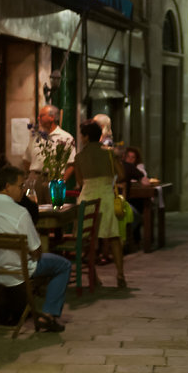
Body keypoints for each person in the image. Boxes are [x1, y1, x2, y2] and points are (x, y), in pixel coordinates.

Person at [0, 165, 72, 332]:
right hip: (18, 270)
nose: (23, 191)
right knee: (63, 265)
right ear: (7, 187)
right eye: (20, 186)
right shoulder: (20, 213)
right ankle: (48, 314)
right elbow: (36, 251)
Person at [75, 120, 127, 287]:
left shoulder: (79, 157)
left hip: (87, 198)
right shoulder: (109, 154)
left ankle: (94, 277)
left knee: (88, 240)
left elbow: (80, 181)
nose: (81, 138)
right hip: (105, 197)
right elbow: (122, 174)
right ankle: (120, 275)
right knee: (113, 237)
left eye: (82, 135)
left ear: (87, 136)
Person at [22, 104, 76, 194]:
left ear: (52, 117)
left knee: (53, 206)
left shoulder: (65, 138)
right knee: (32, 206)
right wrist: (31, 176)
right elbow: (26, 160)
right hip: (35, 179)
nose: (38, 118)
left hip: (54, 179)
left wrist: (62, 181)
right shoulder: (35, 137)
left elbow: (72, 164)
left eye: (42, 116)